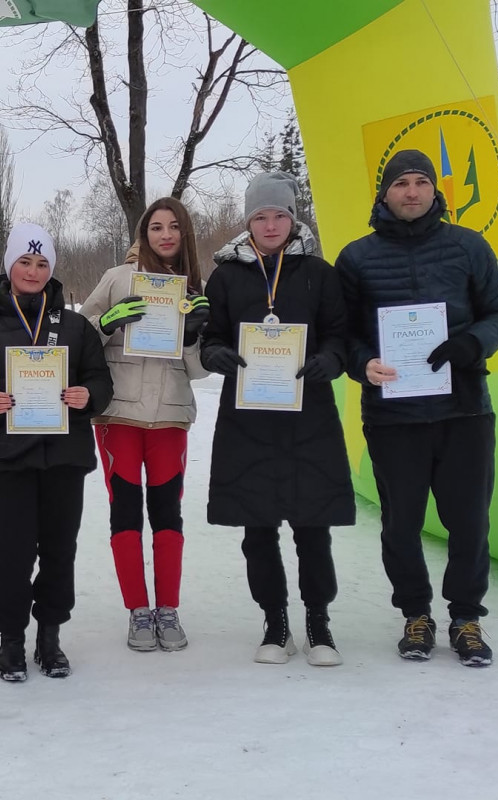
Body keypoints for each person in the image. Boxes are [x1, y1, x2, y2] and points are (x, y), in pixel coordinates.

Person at [337, 149, 498, 667]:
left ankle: (466, 618)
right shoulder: (357, 257)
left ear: (435, 191)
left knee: (468, 522)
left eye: (420, 182)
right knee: (400, 524)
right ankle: (415, 614)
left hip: (464, 410)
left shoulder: (468, 247)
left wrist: (473, 344)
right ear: (383, 193)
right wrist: (362, 362)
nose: (411, 192)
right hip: (393, 417)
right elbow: (343, 331)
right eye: (401, 184)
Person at [0, 223, 113, 681]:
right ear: (9, 266)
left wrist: (87, 396)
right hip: (9, 456)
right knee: (14, 550)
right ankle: (12, 639)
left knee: (60, 548)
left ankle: (50, 636)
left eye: (42, 263)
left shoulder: (75, 326)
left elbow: (101, 380)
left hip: (65, 456)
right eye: (25, 261)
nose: (33, 271)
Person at [199, 172, 354, 667]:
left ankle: (319, 623)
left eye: (280, 215)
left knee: (313, 525)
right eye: (261, 216)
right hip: (249, 418)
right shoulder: (225, 276)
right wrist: (217, 353)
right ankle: (275, 622)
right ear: (247, 222)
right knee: (258, 525)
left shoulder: (319, 272)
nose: (271, 224)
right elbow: (211, 335)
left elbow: (339, 334)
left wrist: (331, 361)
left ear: (293, 218)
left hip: (308, 415)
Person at [80, 197, 212, 652]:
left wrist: (194, 336)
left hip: (171, 415)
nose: (165, 235)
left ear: (185, 233)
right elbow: (81, 336)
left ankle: (168, 608)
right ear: (143, 233)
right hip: (119, 412)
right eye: (156, 227)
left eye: (174, 227)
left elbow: (199, 370)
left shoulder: (194, 286)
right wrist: (109, 321)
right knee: (126, 512)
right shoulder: (117, 279)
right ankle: (138, 610)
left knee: (168, 513)